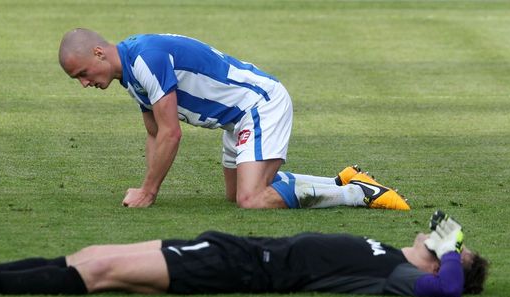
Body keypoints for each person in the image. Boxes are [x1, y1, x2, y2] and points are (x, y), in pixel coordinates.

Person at [58, 29, 410, 210]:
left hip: (259, 104)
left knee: (251, 199)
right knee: (236, 195)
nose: (85, 83)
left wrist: (149, 192)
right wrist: (145, 187)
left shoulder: (145, 59)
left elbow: (171, 134)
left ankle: (355, 194)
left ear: (99, 52)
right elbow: (153, 134)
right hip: (236, 120)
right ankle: (342, 180)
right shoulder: (131, 77)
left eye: (83, 73)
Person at [0, 211, 488, 297]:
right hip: (236, 247)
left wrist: (453, 253)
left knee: (100, 271)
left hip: (239, 268)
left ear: (440, 260)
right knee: (91, 252)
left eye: (441, 244)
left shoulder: (398, 273)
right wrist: (443, 243)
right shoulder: (389, 249)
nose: (432, 235)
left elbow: (449, 291)